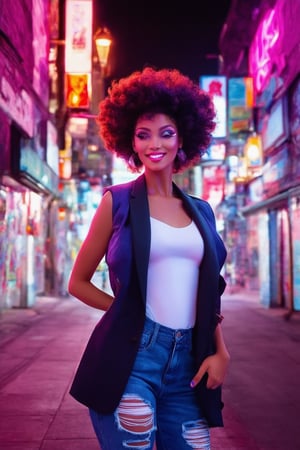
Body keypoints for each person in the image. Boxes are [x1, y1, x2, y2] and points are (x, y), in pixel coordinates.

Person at [68, 66, 230, 450]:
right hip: (133, 360)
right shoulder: (118, 201)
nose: (154, 143)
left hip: (189, 364)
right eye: (143, 134)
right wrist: (128, 312)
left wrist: (220, 351)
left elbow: (207, 293)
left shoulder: (201, 211)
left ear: (183, 138)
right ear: (131, 143)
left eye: (166, 132)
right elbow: (77, 282)